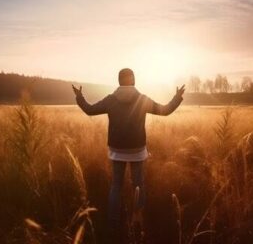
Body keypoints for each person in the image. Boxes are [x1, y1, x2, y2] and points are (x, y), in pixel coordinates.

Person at [72, 68, 185, 240]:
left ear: (119, 81)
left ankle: (112, 223)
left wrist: (80, 97)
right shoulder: (142, 99)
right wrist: (177, 97)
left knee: (116, 186)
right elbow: (165, 110)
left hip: (117, 150)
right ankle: (138, 220)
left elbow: (89, 110)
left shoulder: (111, 99)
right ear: (133, 81)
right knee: (138, 185)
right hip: (137, 150)